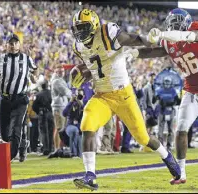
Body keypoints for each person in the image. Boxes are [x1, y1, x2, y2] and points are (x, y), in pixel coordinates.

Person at [69, 9, 180, 190]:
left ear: (94, 26)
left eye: (83, 27)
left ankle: (167, 156)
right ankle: (90, 176)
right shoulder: (78, 46)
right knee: (87, 124)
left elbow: (134, 39)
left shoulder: (107, 33)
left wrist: (148, 40)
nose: (79, 32)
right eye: (77, 28)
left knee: (143, 137)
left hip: (124, 95)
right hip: (102, 96)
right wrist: (83, 75)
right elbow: (96, 68)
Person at [135, 8, 198, 185]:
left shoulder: (196, 33)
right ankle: (181, 173)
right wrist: (134, 53)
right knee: (180, 130)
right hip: (191, 91)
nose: (173, 23)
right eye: (171, 21)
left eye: (177, 21)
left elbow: (191, 37)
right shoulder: (169, 43)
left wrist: (163, 33)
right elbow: (155, 51)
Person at [0, 34, 37, 161]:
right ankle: (23, 143)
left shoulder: (26, 59)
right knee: (4, 131)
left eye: (15, 43)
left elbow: (35, 72)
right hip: (5, 98)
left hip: (20, 99)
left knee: (16, 127)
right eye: (10, 43)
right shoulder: (0, 59)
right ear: (6, 45)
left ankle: (10, 156)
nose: (13, 46)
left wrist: (33, 75)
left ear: (19, 45)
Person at [50, 65, 72, 154]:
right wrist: (72, 93)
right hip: (58, 106)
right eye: (59, 71)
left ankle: (58, 148)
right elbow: (65, 92)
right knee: (59, 128)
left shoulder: (60, 80)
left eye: (62, 71)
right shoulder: (56, 81)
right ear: (55, 72)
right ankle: (57, 148)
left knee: (60, 127)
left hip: (61, 105)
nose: (61, 73)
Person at [156, 76, 180, 150]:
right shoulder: (160, 91)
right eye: (166, 82)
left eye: (168, 82)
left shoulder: (173, 91)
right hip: (162, 111)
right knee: (160, 128)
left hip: (170, 110)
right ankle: (160, 145)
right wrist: (160, 102)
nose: (167, 84)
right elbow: (155, 99)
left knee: (171, 128)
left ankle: (169, 144)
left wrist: (173, 103)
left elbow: (178, 101)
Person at [32, 81, 55, 155]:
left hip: (43, 114)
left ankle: (46, 149)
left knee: (44, 132)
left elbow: (34, 106)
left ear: (41, 86)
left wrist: (38, 111)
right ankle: (51, 148)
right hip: (50, 113)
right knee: (51, 131)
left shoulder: (38, 95)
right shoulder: (51, 93)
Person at [63, 88, 84, 158]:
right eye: (77, 96)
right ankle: (73, 153)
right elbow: (64, 113)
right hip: (70, 126)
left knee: (79, 136)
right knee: (74, 130)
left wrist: (82, 106)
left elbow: (88, 114)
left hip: (80, 128)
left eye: (80, 96)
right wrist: (71, 102)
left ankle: (79, 154)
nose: (78, 98)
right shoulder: (72, 104)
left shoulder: (84, 104)